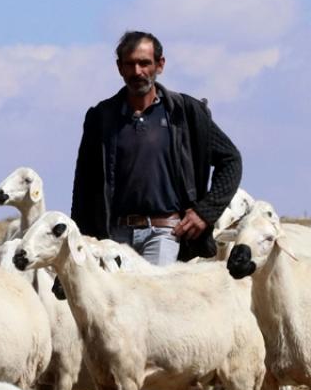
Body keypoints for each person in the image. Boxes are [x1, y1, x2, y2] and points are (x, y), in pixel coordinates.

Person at [71, 31, 242, 264]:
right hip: (114, 236)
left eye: (144, 63)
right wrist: (80, 245)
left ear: (159, 65)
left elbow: (231, 159)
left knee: (155, 289)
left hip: (165, 233)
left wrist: (205, 212)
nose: (137, 71)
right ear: (120, 67)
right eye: (130, 64)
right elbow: (84, 185)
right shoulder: (101, 117)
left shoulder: (185, 113)